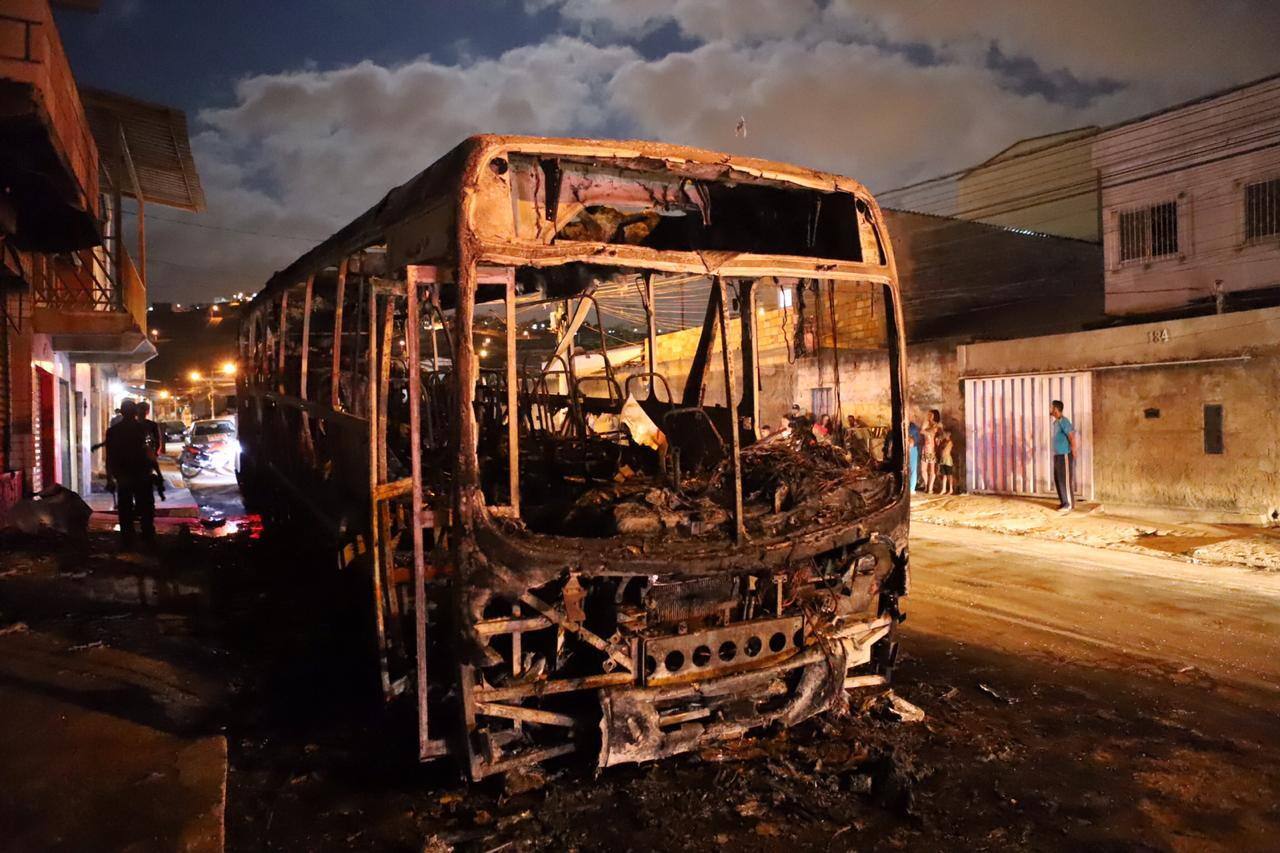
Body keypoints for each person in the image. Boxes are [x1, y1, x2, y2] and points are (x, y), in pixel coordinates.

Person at [104, 399, 156, 548]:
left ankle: (127, 537)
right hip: (142, 474)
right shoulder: (143, 429)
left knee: (125, 507)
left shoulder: (113, 431)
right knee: (145, 506)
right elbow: (149, 452)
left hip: (123, 474)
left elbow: (110, 456)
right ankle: (147, 536)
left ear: (121, 412)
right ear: (135, 412)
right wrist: (154, 471)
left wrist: (110, 478)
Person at [136, 400, 167, 501]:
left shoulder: (151, 425)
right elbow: (158, 441)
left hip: (144, 456)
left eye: (143, 410)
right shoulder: (148, 425)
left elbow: (158, 441)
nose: (142, 413)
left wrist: (154, 453)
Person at [1050, 400, 1077, 512]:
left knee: (1065, 480)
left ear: (1056, 409)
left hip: (1065, 455)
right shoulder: (1056, 423)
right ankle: (1064, 502)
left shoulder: (1064, 421)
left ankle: (1069, 504)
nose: (1050, 409)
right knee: (1058, 479)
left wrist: (1074, 451)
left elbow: (1071, 436)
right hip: (1057, 455)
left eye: (1051, 407)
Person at [920, 409, 941, 493]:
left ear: (934, 416)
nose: (929, 416)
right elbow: (922, 431)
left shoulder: (936, 424)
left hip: (931, 448)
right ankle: (926, 485)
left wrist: (927, 431)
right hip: (925, 448)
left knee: (932, 469)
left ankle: (930, 488)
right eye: (929, 414)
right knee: (923, 469)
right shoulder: (926, 423)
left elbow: (933, 431)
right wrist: (928, 431)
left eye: (931, 415)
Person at [937, 425, 955, 495]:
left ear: (949, 434)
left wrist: (941, 447)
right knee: (944, 475)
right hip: (943, 460)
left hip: (947, 460)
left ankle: (951, 489)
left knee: (949, 475)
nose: (943, 435)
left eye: (945, 433)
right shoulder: (943, 441)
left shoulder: (949, 442)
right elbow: (940, 449)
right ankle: (943, 489)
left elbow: (945, 451)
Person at [907, 420, 921, 493]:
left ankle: (912, 488)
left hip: (912, 450)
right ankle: (909, 488)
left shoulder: (913, 428)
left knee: (912, 469)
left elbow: (912, 441)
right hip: (908, 449)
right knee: (909, 469)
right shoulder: (909, 427)